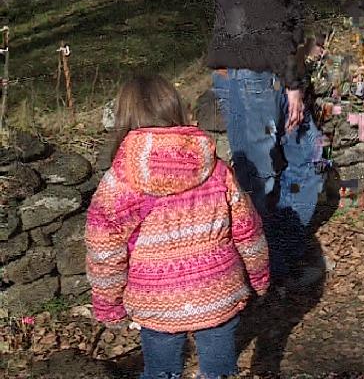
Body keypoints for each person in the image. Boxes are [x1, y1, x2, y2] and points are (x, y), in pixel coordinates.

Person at [86, 75, 269, 379]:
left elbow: (104, 251)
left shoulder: (120, 181)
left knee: (160, 372)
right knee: (220, 372)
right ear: (175, 110)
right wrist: (259, 276)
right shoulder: (215, 168)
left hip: (155, 300)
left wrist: (108, 304)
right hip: (218, 291)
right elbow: (248, 230)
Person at [205, 0, 332, 286]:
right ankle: (256, 270)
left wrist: (302, 47)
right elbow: (264, 17)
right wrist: (293, 84)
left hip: (274, 63)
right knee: (258, 177)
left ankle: (276, 256)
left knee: (310, 158)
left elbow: (286, 11)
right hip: (249, 71)